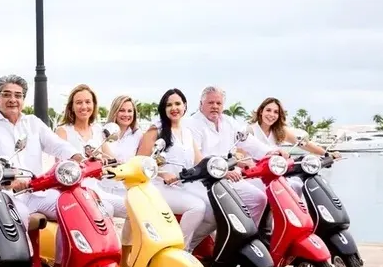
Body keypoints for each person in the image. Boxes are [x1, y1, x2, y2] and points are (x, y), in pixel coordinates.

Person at [0, 74, 84, 265]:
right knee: (20, 217)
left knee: (74, 208)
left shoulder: (33, 122)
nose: (13, 99)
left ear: (23, 99)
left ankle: (62, 266)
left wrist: (77, 157)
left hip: (37, 192)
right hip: (4, 196)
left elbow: (57, 145)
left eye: (18, 95)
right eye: (6, 94)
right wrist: (8, 181)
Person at [137, 88, 217, 251]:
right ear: (163, 108)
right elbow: (139, 162)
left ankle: (189, 246)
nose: (174, 108)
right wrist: (162, 173)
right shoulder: (155, 130)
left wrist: (221, 168)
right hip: (159, 186)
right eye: (169, 105)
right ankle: (180, 251)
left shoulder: (187, 132)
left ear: (185, 106)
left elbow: (200, 161)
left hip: (183, 185)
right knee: (197, 207)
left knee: (216, 210)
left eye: (177, 104)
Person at [183, 86, 268, 224]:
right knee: (216, 213)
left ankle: (247, 236)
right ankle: (197, 239)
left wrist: (271, 152)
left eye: (219, 103)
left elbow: (249, 141)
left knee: (258, 199)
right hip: (201, 181)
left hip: (227, 177)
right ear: (201, 104)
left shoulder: (229, 122)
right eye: (211, 102)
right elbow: (197, 159)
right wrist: (223, 172)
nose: (215, 106)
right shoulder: (191, 124)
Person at [243, 97, 342, 197]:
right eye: (268, 110)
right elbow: (240, 155)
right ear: (261, 111)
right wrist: (247, 164)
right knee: (263, 195)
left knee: (296, 186)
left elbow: (304, 143)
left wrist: (326, 154)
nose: (272, 115)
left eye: (276, 112)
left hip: (276, 174)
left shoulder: (279, 131)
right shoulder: (251, 130)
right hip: (255, 177)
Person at [54, 84, 127, 218]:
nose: (84, 106)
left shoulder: (98, 130)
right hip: (73, 191)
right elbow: (60, 165)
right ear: (71, 106)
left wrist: (124, 164)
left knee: (131, 207)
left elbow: (111, 158)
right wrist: (87, 162)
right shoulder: (63, 131)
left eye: (88, 102)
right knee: (107, 209)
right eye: (79, 102)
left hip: (95, 189)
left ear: (93, 105)